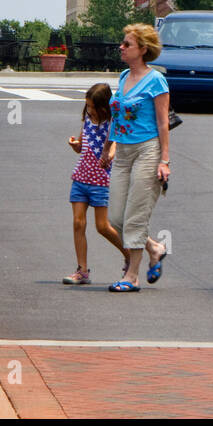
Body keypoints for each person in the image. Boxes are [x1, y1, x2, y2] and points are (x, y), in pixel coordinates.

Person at [106, 23, 171, 292]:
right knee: (116, 218)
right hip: (122, 151)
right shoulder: (123, 76)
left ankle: (131, 276)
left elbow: (163, 122)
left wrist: (164, 160)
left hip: (147, 149)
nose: (121, 47)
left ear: (143, 50)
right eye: (122, 43)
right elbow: (116, 116)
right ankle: (155, 247)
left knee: (135, 216)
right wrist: (106, 148)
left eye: (127, 44)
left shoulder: (156, 80)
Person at [62, 83, 127, 285]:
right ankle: (82, 271)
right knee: (77, 223)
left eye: (92, 107)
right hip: (81, 177)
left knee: (103, 227)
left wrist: (110, 153)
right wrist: (75, 145)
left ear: (104, 106)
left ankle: (130, 255)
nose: (89, 110)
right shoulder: (88, 121)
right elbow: (82, 147)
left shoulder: (112, 123)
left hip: (101, 180)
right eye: (87, 106)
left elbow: (115, 144)